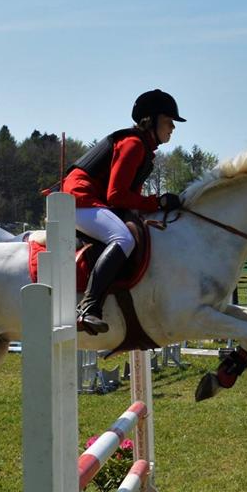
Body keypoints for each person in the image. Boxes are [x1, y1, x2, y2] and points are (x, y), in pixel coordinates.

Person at [62, 88, 185, 334]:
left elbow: (129, 200)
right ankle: (88, 308)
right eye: (168, 121)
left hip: (91, 200)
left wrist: (150, 209)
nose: (173, 127)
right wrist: (157, 203)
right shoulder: (133, 144)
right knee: (123, 238)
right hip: (79, 198)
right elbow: (116, 196)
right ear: (150, 120)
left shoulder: (143, 148)